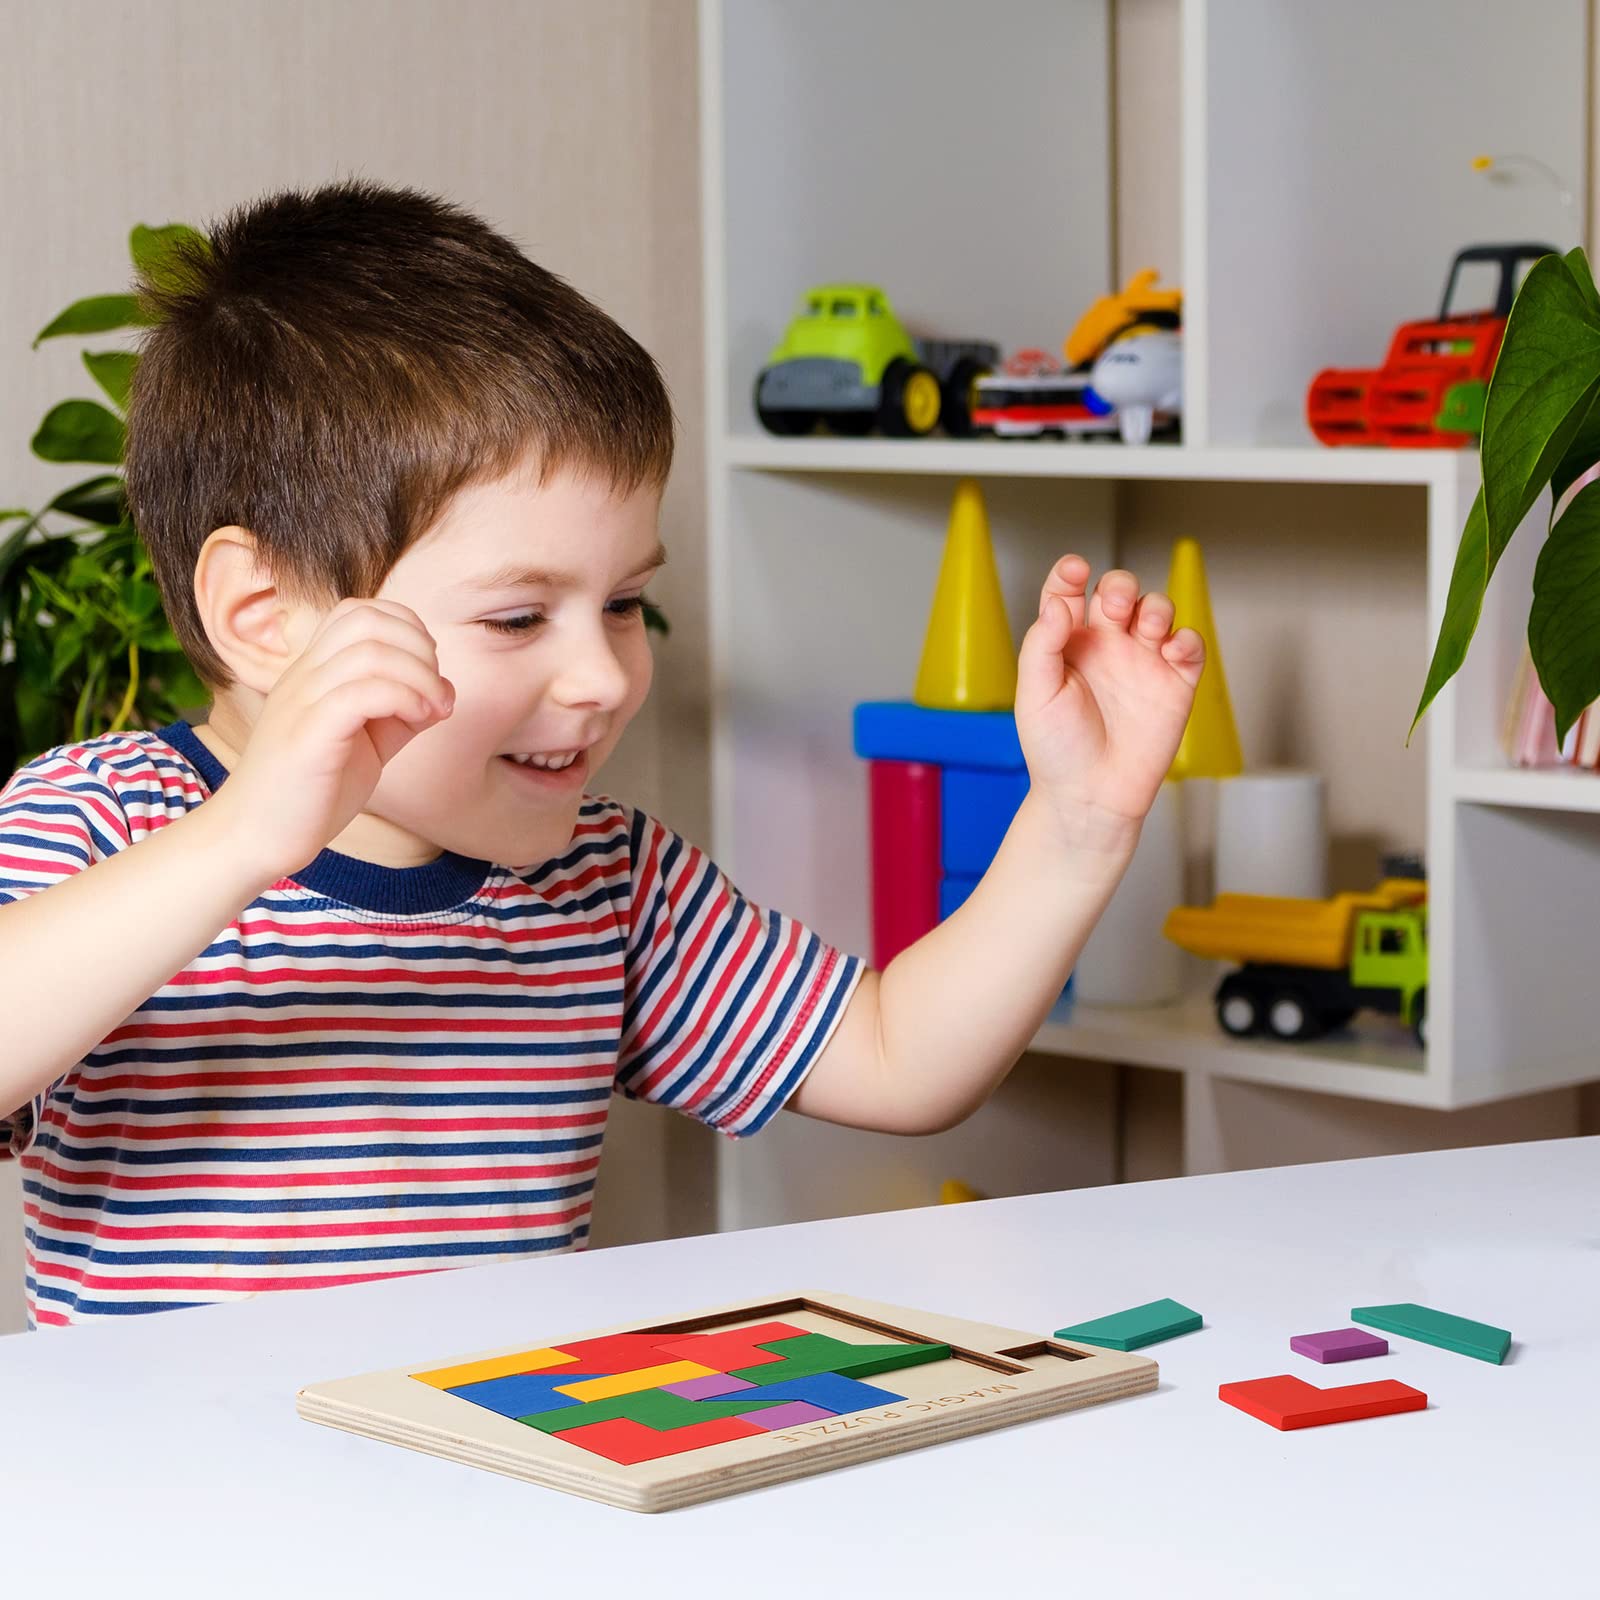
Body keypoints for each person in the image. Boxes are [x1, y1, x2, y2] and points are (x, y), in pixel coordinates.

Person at [0, 180, 1204, 1329]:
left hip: (498, 1505)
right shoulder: (102, 827)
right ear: (267, 618)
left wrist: (1075, 822)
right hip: (185, 1527)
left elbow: (900, 1061)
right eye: (519, 618)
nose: (606, 676)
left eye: (623, 603)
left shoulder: (601, 880)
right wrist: (245, 840)